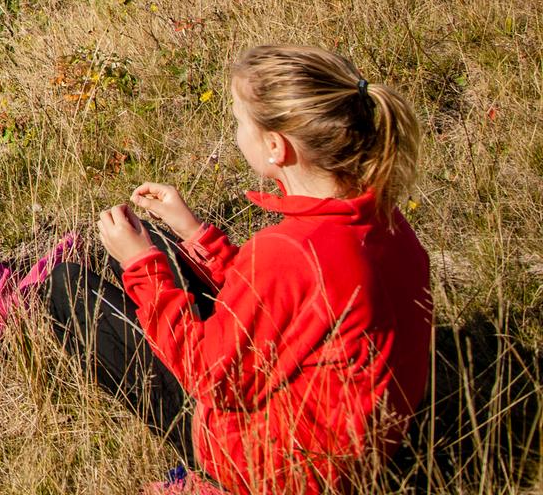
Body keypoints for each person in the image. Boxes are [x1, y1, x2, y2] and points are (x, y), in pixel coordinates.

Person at [45, 45, 432, 495]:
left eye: (238, 121)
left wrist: (140, 267)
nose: (235, 133)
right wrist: (190, 233)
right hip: (353, 444)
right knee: (167, 245)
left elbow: (209, 377)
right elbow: (280, 302)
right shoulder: (377, 218)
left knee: (64, 289)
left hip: (277, 468)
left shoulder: (287, 250)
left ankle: (210, 480)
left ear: (275, 146)